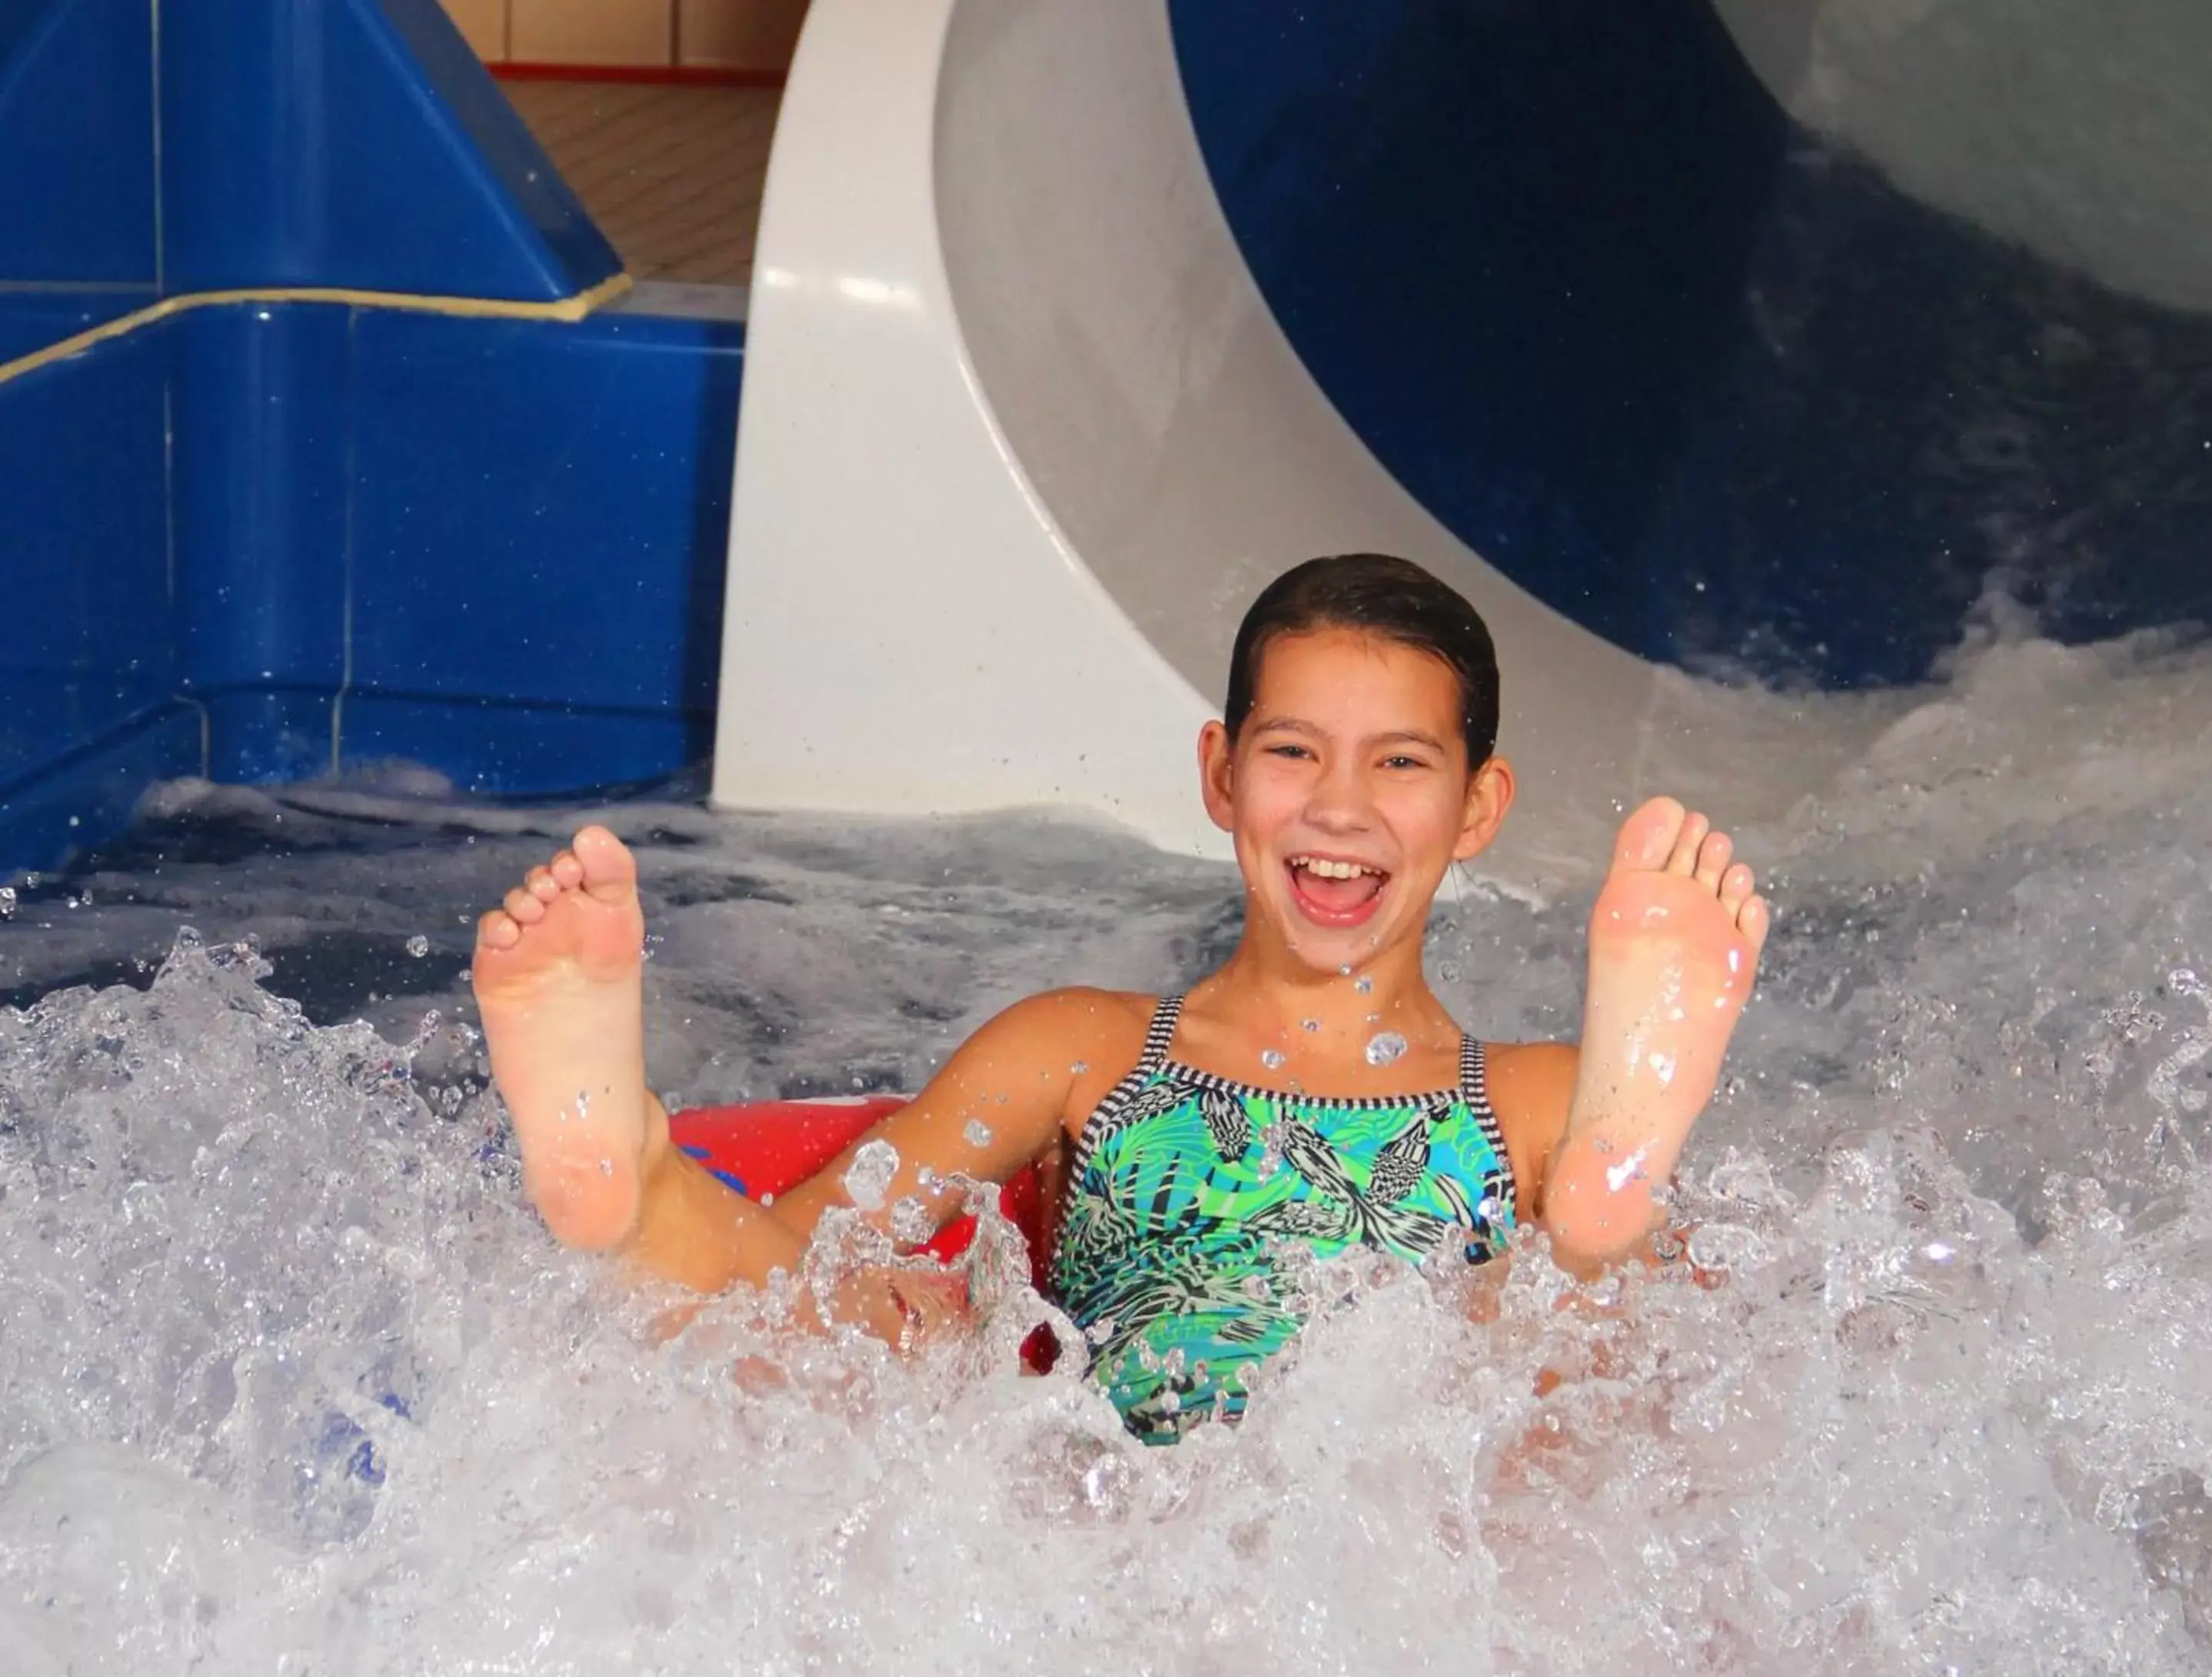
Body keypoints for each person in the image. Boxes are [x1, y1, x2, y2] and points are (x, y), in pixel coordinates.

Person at [472, 555, 1769, 1442]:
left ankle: (1603, 1224)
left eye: (1402, 763)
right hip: (1135, 1523)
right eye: (1292, 752)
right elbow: (805, 1253)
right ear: (1221, 773)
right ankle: (618, 1163)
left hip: (1406, 1535)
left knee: (1576, 1340)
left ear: (1478, 806)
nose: (1339, 806)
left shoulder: (1541, 1101)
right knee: (850, 1319)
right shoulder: (1082, 1054)